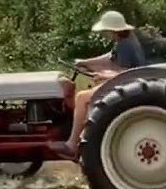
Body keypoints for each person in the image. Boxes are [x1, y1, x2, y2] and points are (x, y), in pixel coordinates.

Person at [51, 10, 146, 159]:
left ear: (114, 30)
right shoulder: (125, 41)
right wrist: (84, 62)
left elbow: (126, 72)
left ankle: (72, 145)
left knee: (82, 97)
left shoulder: (125, 46)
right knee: (86, 94)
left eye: (107, 31)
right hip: (128, 82)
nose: (106, 34)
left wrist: (103, 76)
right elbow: (109, 58)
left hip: (128, 84)